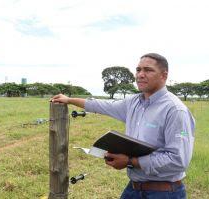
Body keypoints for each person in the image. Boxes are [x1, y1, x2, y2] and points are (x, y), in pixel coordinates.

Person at [51, 53, 195, 199]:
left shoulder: (175, 111)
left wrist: (130, 161)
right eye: (138, 70)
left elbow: (178, 160)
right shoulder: (133, 103)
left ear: (164, 75)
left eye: (148, 70)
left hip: (164, 193)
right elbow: (102, 105)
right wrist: (69, 100)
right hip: (134, 188)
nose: (140, 75)